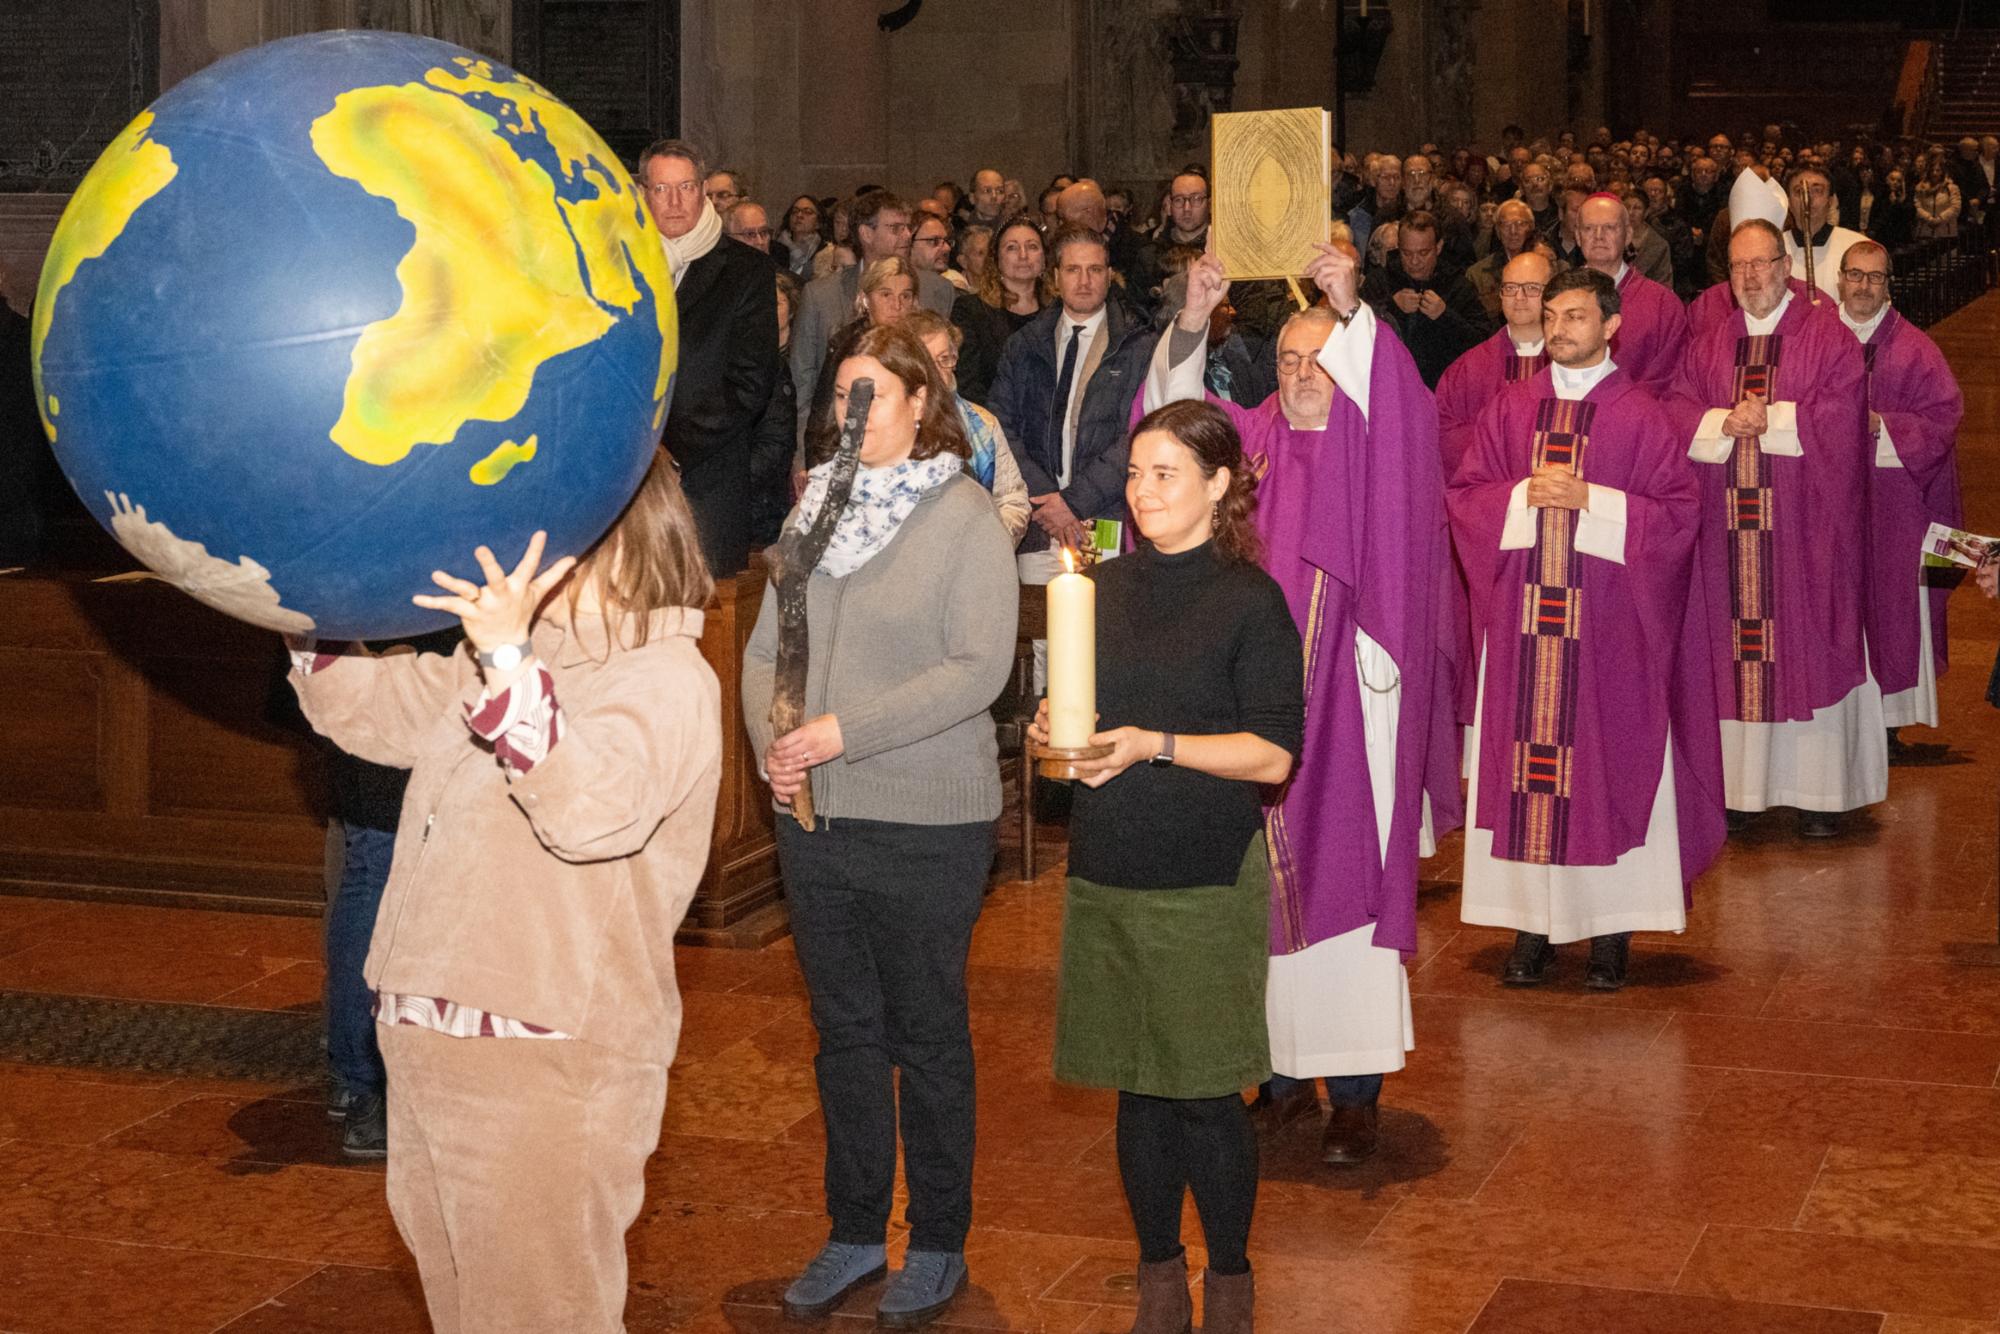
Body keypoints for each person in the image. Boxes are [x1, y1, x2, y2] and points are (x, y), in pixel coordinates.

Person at [288, 455, 721, 1334]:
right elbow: (364, 706)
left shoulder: (668, 675)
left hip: (546, 1061)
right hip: (430, 1041)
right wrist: (292, 591)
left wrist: (508, 657)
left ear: (608, 535)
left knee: (540, 1314)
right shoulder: (504, 664)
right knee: (465, 1313)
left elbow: (590, 810)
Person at [1149, 243, 1454, 1166]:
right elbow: (1171, 440)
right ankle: (1276, 1077)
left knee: (1345, 890)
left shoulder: (1374, 438)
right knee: (1256, 896)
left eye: (1322, 357)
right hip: (1245, 713)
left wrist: (1351, 302)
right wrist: (1195, 320)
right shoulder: (1249, 446)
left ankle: (1355, 1095)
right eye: (1286, 359)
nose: (1303, 374)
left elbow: (1403, 419)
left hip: (1350, 711)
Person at [743, 324, 1017, 1330]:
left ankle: (938, 1238)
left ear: (918, 400)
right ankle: (855, 1227)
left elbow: (975, 666)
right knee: (844, 1031)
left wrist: (839, 731)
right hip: (814, 815)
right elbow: (767, 644)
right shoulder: (815, 507)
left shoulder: (961, 515)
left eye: (873, 393)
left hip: (926, 819)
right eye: (842, 394)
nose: (852, 412)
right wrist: (773, 741)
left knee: (926, 1031)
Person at [1028, 399, 1302, 1334]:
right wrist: (1054, 735)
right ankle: (1157, 1278)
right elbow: (1082, 717)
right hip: (1110, 861)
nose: (1141, 492)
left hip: (1203, 868)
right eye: (1135, 474)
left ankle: (1229, 1281)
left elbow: (1272, 756)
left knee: (1204, 1092)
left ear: (1219, 483)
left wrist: (1154, 744)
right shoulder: (1102, 588)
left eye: (1165, 474)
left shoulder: (1250, 600)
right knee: (1136, 1084)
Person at [1450, 268, 1724, 990]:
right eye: (1553, 315)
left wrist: (1590, 499)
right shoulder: (1513, 408)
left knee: (1606, 769)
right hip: (1525, 631)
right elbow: (1469, 496)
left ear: (1611, 326)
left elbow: (1676, 518)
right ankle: (1532, 927)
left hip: (1609, 635)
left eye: (1575, 316)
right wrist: (1519, 495)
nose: (1560, 327)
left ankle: (1610, 932)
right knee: (1526, 779)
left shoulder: (1639, 415)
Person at [1671, 219, 1878, 838]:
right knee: (1732, 654)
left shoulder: (1827, 336)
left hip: (1803, 533)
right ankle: (1741, 792)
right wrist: (1718, 421)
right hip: (1726, 537)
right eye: (1738, 267)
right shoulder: (1710, 341)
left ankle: (1821, 795)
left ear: (1786, 265)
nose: (1750, 277)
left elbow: (1846, 412)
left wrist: (1775, 416)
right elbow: (1676, 406)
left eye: (1761, 264)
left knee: (1808, 640)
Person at [1837, 241, 1964, 741]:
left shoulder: (1915, 348)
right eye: (1855, 275)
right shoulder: (1818, 341)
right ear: (1840, 280)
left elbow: (1944, 417)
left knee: (1894, 605)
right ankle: (1839, 717)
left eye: (1875, 277)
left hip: (1896, 504)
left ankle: (1887, 725)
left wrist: (1878, 426)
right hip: (1832, 503)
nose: (1864, 286)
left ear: (1888, 284)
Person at [639, 138, 778, 577]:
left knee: (709, 624)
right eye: (661, 189)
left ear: (703, 190)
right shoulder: (619, 264)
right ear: (643, 193)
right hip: (627, 479)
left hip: (707, 477)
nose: (675, 201)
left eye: (686, 186)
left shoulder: (745, 271)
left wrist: (670, 452)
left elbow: (751, 382)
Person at [990, 225, 1158, 559]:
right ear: (1055, 277)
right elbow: (999, 426)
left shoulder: (1140, 347)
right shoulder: (1023, 345)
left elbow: (1141, 432)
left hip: (1106, 515)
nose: (1084, 281)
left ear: (1109, 276)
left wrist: (1074, 501)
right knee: (1037, 611)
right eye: (1073, 270)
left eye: (1095, 270)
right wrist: (1046, 498)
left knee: (1102, 610)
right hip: (1038, 520)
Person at [793, 191, 956, 440]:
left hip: (920, 438)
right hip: (835, 441)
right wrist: (802, 457)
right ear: (866, 234)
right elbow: (803, 381)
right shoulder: (820, 295)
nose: (905, 236)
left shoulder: (938, 290)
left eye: (907, 228)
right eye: (895, 228)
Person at [904, 308, 1032, 543]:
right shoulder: (885, 426)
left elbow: (1012, 498)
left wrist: (989, 545)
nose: (937, 372)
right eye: (925, 361)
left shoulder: (982, 424)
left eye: (944, 359)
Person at [1573, 193, 1687, 397]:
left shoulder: (1662, 303)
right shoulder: (1559, 298)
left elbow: (1670, 376)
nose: (1598, 236)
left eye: (1610, 227)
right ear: (1577, 237)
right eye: (1589, 228)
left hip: (1637, 420)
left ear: (1627, 236)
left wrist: (1623, 408)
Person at [1360, 210, 1488, 389]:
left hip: (1443, 389)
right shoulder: (1379, 281)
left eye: (1423, 253)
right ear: (1398, 247)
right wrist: (1391, 308)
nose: (1414, 261)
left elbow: (1481, 344)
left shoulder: (1458, 286)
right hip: (1389, 385)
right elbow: (1357, 337)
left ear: (1439, 247)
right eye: (1406, 253)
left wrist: (1445, 315)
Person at [805, 257, 921, 452]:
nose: (897, 305)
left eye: (905, 296)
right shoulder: (846, 346)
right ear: (865, 299)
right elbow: (824, 420)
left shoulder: (922, 345)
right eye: (886, 295)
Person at [951, 216, 1048, 409]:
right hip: (994, 423)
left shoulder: (1060, 310)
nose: (1023, 255)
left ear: (1045, 257)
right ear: (995, 258)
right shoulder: (971, 311)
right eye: (1012, 247)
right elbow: (967, 384)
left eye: (1032, 247)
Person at [751, 269, 803, 546]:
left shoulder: (799, 352)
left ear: (791, 308)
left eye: (777, 303)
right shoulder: (753, 355)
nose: (769, 310)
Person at [1782, 166, 1868, 303]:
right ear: (1789, 203)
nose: (1807, 198)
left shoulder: (1859, 247)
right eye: (1799, 191)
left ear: (1831, 201)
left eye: (1817, 190)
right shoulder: (1774, 249)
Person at [1465, 199, 1542, 323]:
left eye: (1520, 224)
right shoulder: (1477, 274)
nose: (1513, 231)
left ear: (1531, 228)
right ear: (1497, 231)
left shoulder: (1545, 266)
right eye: (1506, 225)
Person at [1347, 154, 1404, 256]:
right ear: (1374, 181)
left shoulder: (1407, 213)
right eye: (1386, 177)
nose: (1392, 183)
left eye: (1397, 177)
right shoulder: (1357, 217)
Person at [910, 213, 969, 292]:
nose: (947, 248)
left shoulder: (952, 293)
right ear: (909, 244)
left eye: (947, 241)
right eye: (935, 241)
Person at [1914, 154, 1962, 240]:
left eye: (1938, 170)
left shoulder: (1951, 188)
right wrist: (1929, 218)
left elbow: (1955, 207)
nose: (1934, 173)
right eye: (1932, 170)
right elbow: (1917, 206)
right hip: (1925, 231)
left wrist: (1940, 219)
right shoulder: (1920, 188)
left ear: (1943, 172)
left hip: (1947, 232)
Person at [724, 199, 785, 267]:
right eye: (750, 234)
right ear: (729, 239)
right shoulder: (717, 275)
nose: (760, 242)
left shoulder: (781, 276)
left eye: (764, 232)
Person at [780, 195, 827, 278]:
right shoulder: (775, 248)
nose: (799, 215)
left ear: (818, 223)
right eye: (795, 211)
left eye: (807, 212)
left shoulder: (826, 252)